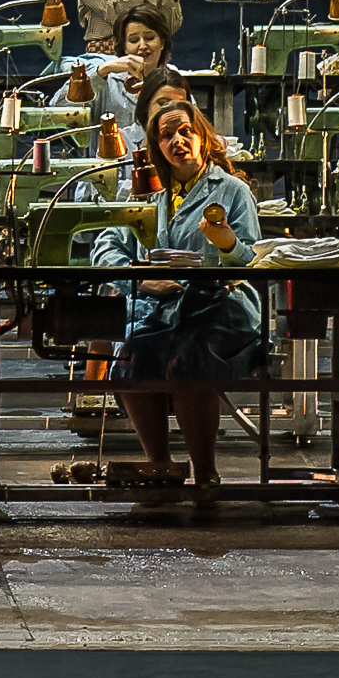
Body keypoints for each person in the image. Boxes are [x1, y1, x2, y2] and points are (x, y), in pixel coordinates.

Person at [90, 91, 266, 484]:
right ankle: (161, 466)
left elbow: (253, 260)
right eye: (166, 136)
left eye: (184, 131)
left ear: (202, 137)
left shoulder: (232, 191)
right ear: (156, 147)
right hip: (158, 308)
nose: (177, 141)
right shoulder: (143, 191)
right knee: (130, 359)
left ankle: (205, 472)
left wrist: (227, 244)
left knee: (188, 361)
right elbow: (106, 247)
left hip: (220, 306)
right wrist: (139, 280)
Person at [92, 5, 185, 144]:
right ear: (124, 46)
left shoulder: (173, 80)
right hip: (114, 164)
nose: (142, 46)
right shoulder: (108, 80)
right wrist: (101, 71)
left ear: (162, 43)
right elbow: (61, 106)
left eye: (149, 38)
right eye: (134, 40)